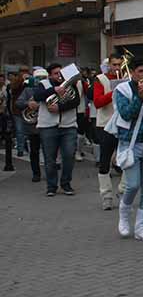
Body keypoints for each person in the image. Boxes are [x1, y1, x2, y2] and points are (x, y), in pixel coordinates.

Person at [112, 57, 143, 242]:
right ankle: (124, 215)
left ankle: (142, 228)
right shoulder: (122, 89)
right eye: (141, 72)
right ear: (132, 72)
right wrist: (139, 98)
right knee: (133, 184)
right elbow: (125, 114)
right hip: (130, 143)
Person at [34, 63, 81, 197]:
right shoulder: (43, 84)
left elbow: (76, 101)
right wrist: (54, 90)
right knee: (50, 159)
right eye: (56, 74)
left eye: (60, 73)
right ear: (50, 75)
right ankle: (51, 186)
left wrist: (60, 108)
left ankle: (66, 184)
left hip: (68, 125)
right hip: (48, 126)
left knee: (69, 156)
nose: (59, 76)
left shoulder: (70, 84)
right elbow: (37, 96)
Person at [94, 53, 124, 210]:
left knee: (127, 160)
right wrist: (114, 91)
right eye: (114, 65)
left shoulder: (126, 78)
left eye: (119, 65)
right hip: (105, 124)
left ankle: (123, 190)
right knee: (105, 161)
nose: (117, 68)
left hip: (123, 124)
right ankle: (106, 195)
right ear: (109, 65)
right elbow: (98, 102)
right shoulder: (101, 79)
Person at [15, 68, 47, 182]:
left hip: (47, 124)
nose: (40, 81)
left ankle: (49, 172)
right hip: (33, 126)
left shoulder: (49, 89)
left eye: (43, 78)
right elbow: (18, 102)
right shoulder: (28, 90)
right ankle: (36, 173)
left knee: (49, 150)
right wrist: (28, 103)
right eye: (38, 78)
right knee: (34, 151)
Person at [10, 66, 31, 157]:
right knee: (19, 130)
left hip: (28, 109)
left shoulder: (31, 79)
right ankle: (20, 149)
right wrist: (21, 80)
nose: (24, 73)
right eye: (22, 71)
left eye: (26, 71)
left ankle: (27, 145)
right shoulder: (15, 80)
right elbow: (13, 90)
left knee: (28, 130)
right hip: (18, 109)